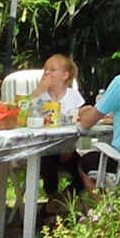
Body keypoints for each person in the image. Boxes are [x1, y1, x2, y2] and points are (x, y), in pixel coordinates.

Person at [36, 54, 88, 197]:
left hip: (69, 149)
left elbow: (81, 121)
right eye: (45, 70)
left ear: (65, 75)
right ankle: (52, 196)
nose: (47, 72)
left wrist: (84, 112)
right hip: (44, 149)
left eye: (52, 70)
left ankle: (64, 198)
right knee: (47, 161)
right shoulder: (41, 96)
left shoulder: (74, 96)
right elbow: (31, 118)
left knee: (84, 168)